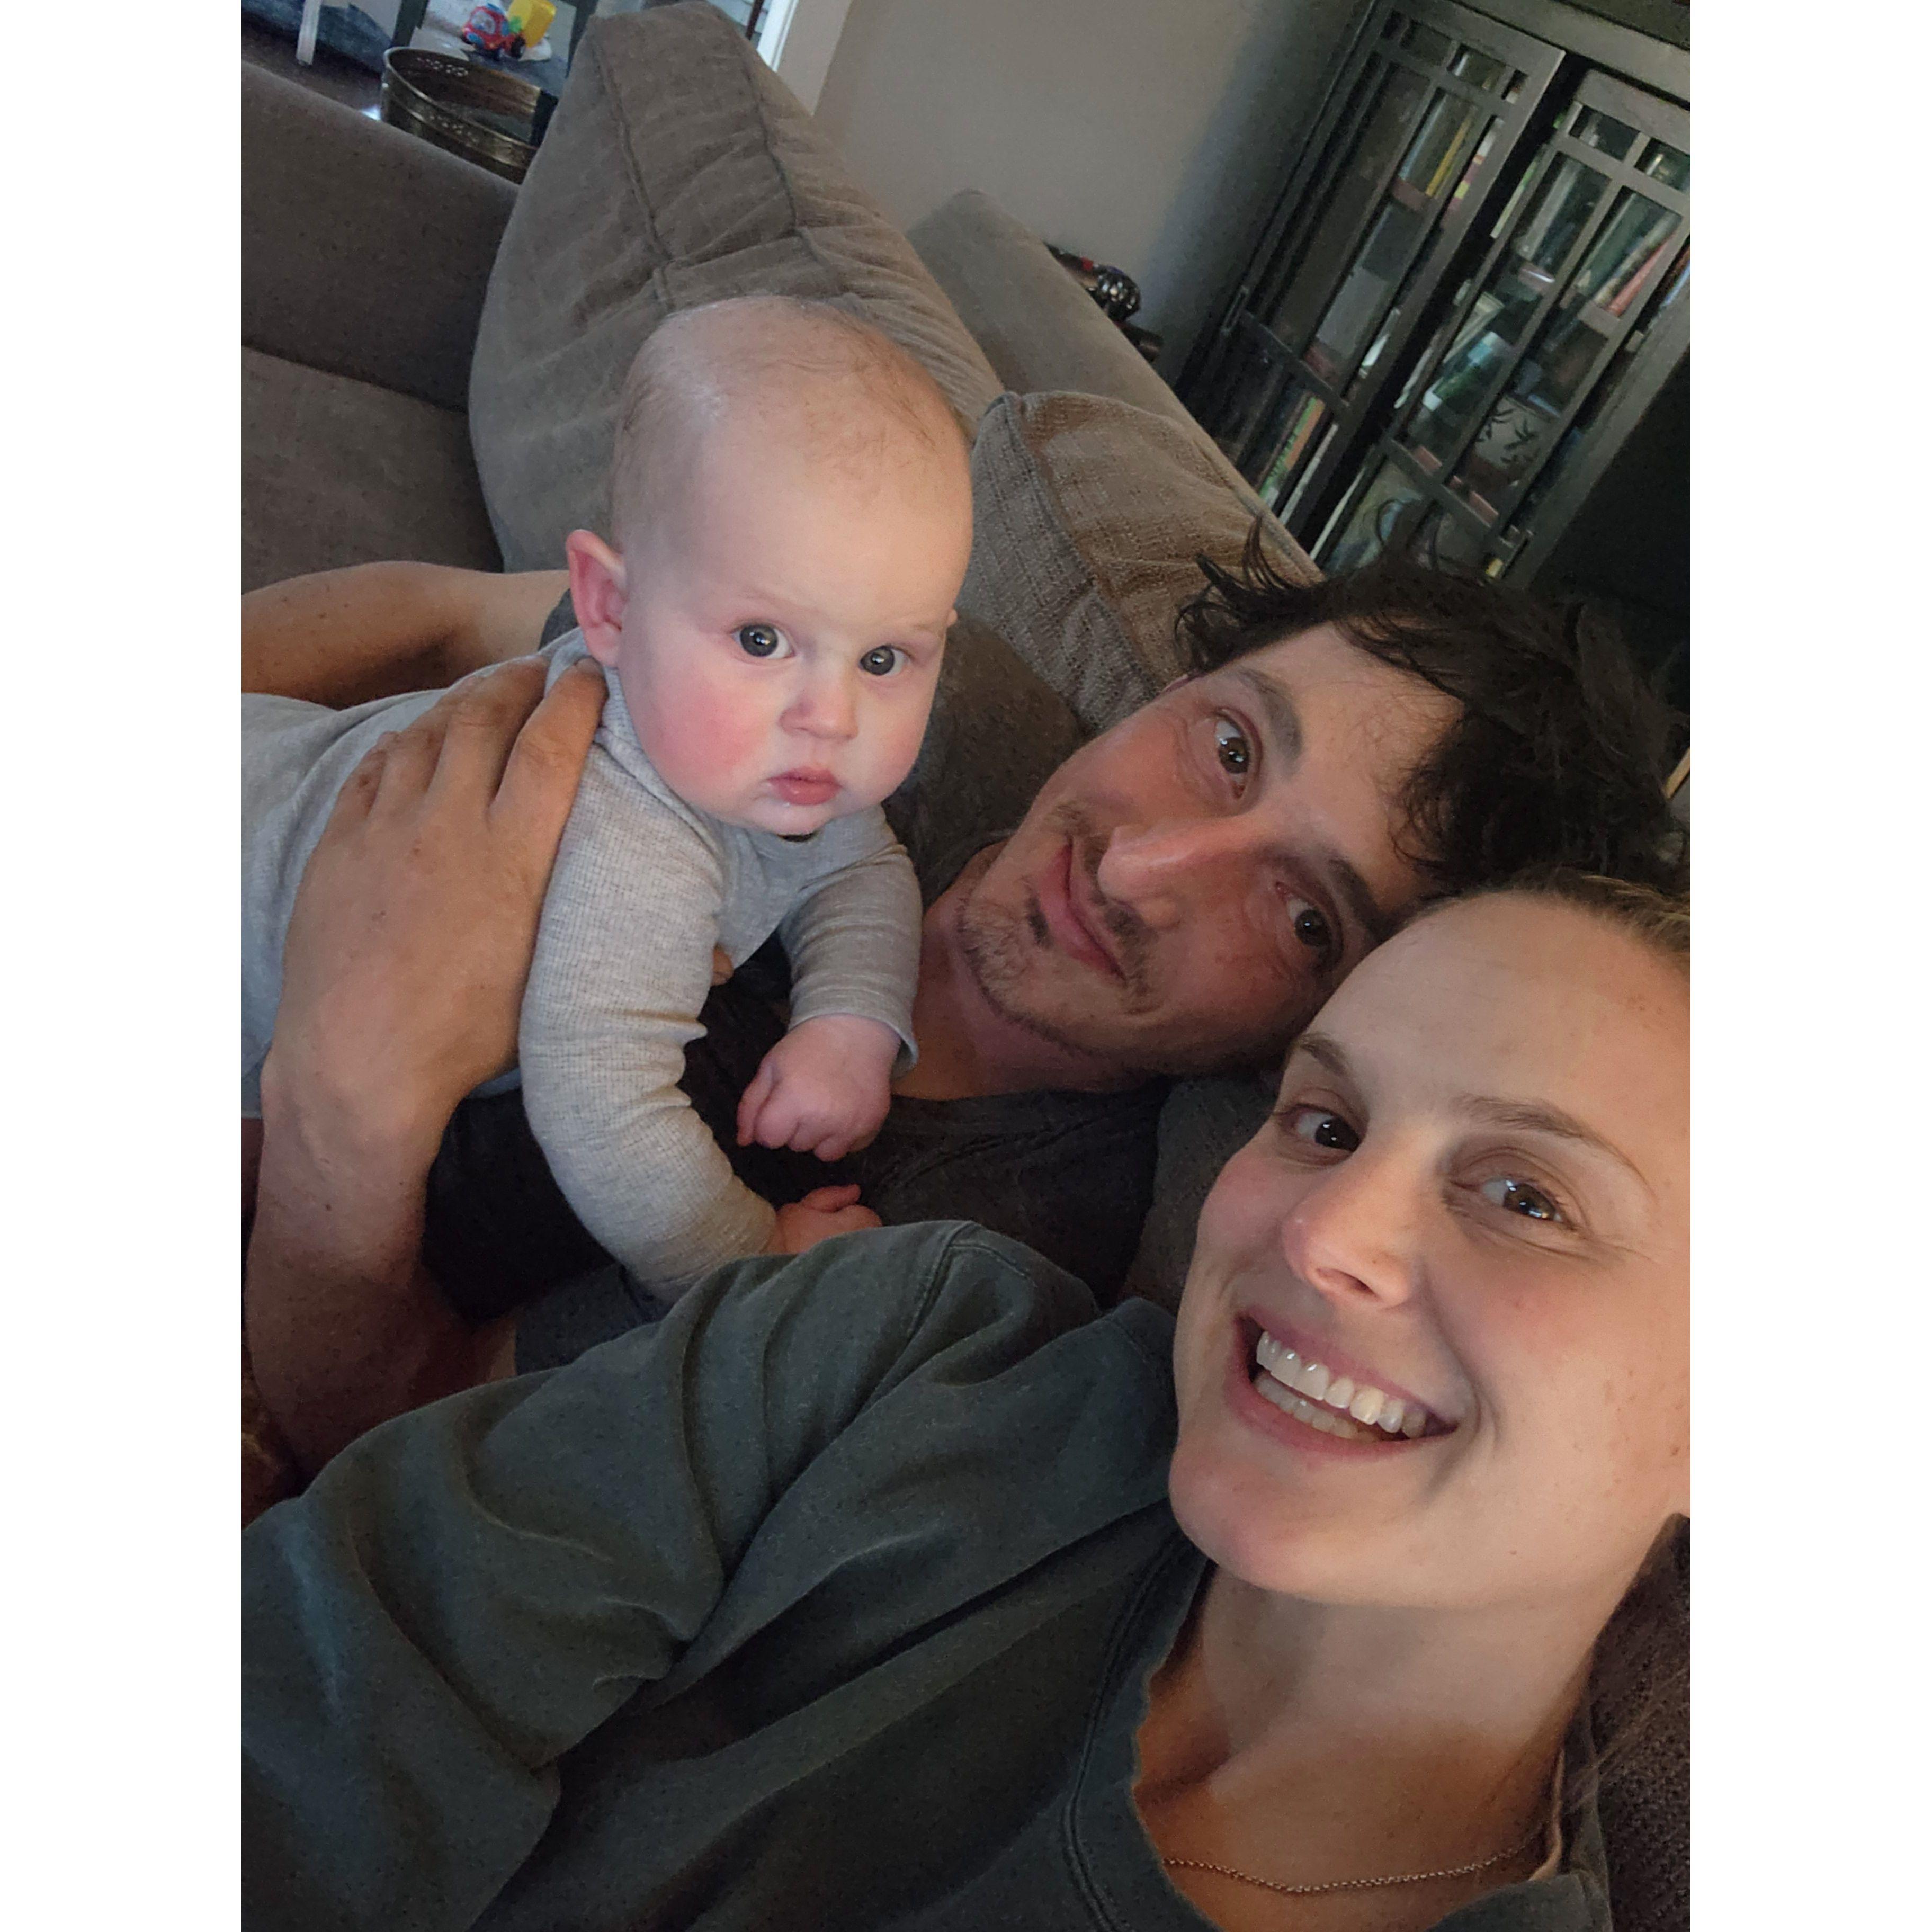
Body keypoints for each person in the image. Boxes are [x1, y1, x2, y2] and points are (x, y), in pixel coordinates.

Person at [243, 661, 1688, 1931]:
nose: (1324, 1231)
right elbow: (332, 1691)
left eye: (1529, 1199)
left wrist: (349, 1088)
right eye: (1328, 1125)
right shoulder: (918, 1337)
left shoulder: (959, 1230)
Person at [243, 536, 1685, 1316]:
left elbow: (414, 1426)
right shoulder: (909, 690)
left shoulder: (963, 1260)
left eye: (1304, 915)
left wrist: (351, 1096)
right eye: (1230, 747)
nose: (1142, 869)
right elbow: (447, 613)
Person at [243, 298, 974, 1290]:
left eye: (885, 658)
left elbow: (864, 867)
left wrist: (850, 1021)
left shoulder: (762, 766)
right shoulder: (630, 838)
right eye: (762, 641)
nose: (831, 717)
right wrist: (750, 1260)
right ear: (610, 608)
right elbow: (603, 1105)